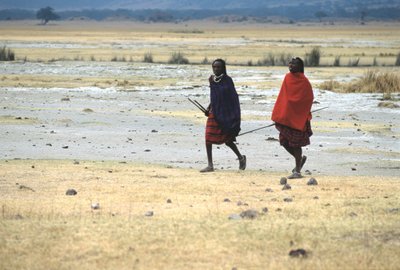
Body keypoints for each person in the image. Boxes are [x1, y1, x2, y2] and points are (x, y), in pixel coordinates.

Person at [200, 59, 246, 173]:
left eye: (218, 67)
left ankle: (241, 157)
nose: (216, 69)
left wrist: (233, 115)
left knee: (228, 140)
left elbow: (233, 98)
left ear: (223, 68)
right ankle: (210, 165)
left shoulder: (228, 80)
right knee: (208, 138)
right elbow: (214, 97)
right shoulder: (211, 80)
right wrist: (209, 108)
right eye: (214, 67)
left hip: (225, 114)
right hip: (214, 112)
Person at [271, 57, 314, 179]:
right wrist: (281, 112)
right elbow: (284, 97)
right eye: (290, 63)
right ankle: (299, 160)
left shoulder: (304, 81)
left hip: (298, 118)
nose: (291, 65)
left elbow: (308, 98)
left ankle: (297, 171)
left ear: (300, 67)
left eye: (294, 64)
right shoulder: (287, 78)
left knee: (296, 144)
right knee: (284, 142)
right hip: (286, 116)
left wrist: (298, 108)